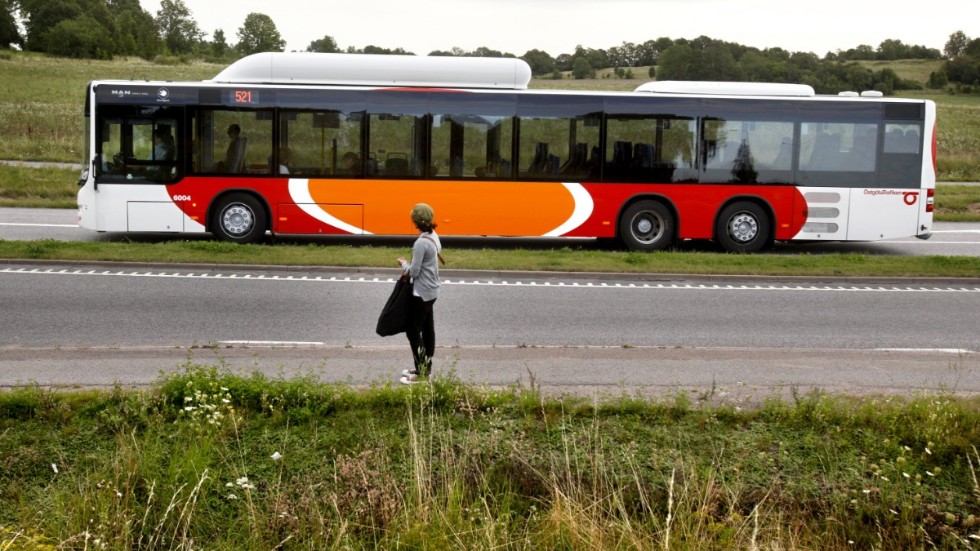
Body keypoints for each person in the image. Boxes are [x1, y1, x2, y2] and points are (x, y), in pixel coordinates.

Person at [397, 203, 443, 384]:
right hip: (432, 291)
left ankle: (422, 374)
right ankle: (425, 368)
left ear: (415, 221)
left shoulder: (421, 243)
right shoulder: (434, 237)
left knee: (413, 332)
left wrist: (402, 263)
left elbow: (414, 272)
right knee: (428, 330)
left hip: (421, 293)